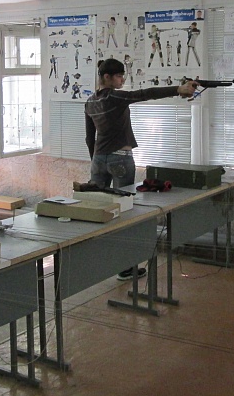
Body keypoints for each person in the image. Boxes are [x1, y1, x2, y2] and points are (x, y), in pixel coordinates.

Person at [84, 58, 197, 280]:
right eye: (119, 76)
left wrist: (96, 161)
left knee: (98, 210)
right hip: (120, 158)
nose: (122, 80)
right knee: (125, 214)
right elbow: (146, 93)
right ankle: (125, 268)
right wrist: (178, 89)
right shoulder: (114, 97)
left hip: (98, 159)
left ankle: (97, 263)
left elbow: (90, 138)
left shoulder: (90, 102)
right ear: (107, 77)